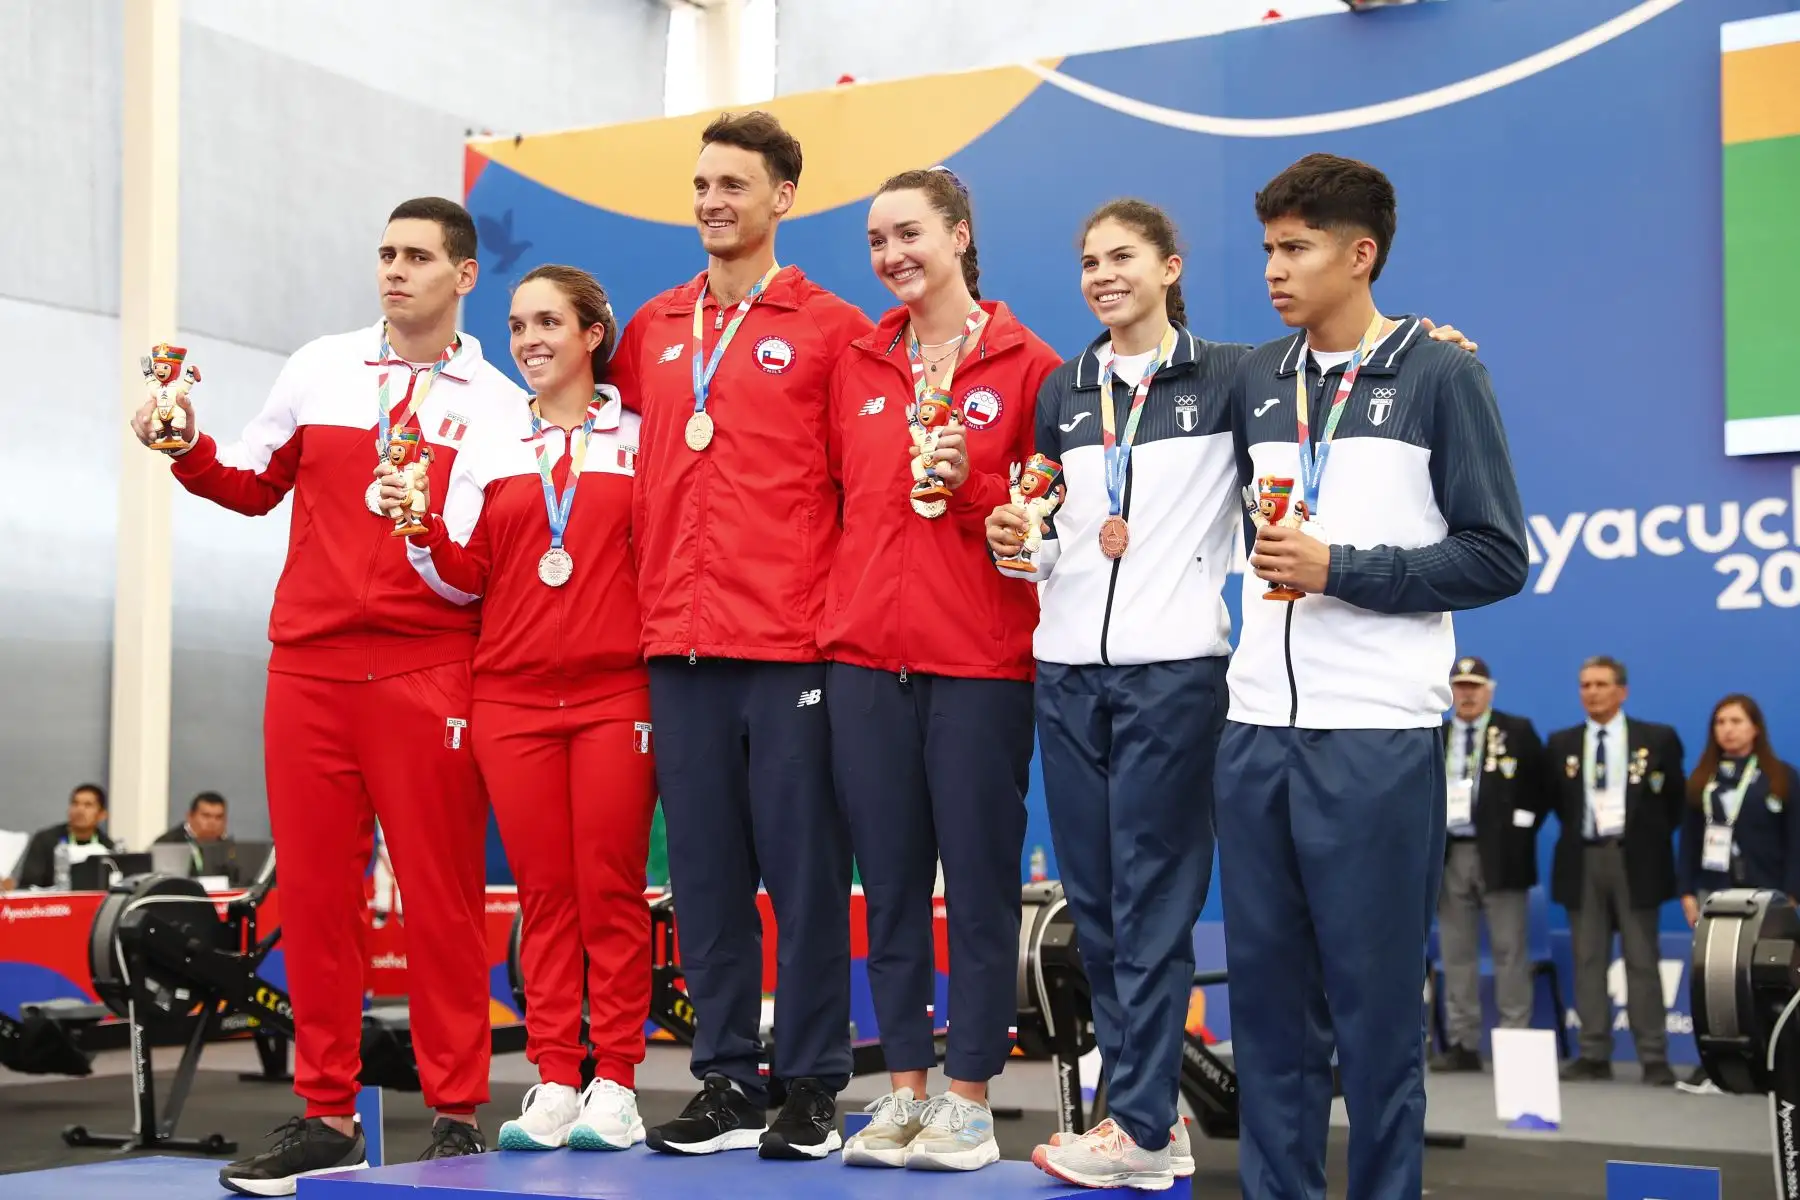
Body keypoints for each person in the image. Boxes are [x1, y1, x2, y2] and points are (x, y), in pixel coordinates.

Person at [131, 197, 525, 1193]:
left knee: (439, 901)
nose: (395, 270)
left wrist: (427, 527)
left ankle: (453, 1112)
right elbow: (254, 481)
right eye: (386, 253)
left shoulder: (494, 402)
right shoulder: (319, 367)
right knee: (313, 901)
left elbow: (489, 565)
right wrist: (185, 446)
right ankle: (322, 1113)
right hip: (307, 668)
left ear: (463, 275)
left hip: (429, 666)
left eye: (419, 256)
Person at [1217, 153, 1527, 1200]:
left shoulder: (1442, 374)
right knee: (1267, 1012)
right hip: (1256, 733)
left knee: (1378, 1016)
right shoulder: (1255, 377)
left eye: (1296, 247)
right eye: (1266, 246)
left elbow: (1496, 553)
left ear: (1362, 254)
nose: (1274, 267)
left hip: (1376, 740)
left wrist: (1341, 569)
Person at [609, 111, 873, 1162]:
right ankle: (725, 1078)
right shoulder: (653, 327)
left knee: (806, 875)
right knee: (709, 878)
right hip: (677, 644)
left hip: (793, 646)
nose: (713, 200)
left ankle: (809, 1082)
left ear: (783, 199)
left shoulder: (833, 327)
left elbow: (869, 483)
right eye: (702, 183)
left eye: (734, 184)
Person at [819, 166, 1061, 1173]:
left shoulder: (1030, 367)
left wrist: (980, 488)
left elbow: (1044, 523)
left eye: (909, 233)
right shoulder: (857, 363)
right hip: (866, 662)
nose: (891, 256)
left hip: (980, 662)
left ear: (960, 233)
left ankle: (969, 1100)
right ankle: (904, 1093)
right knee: (891, 886)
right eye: (877, 241)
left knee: (979, 886)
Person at [396, 264, 658, 1152]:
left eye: (548, 321)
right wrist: (423, 531)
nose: (529, 340)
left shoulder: (642, 435)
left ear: (592, 333)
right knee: (544, 896)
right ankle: (553, 1077)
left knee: (609, 887)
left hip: (616, 691)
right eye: (516, 326)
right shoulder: (494, 443)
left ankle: (616, 1081)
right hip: (508, 697)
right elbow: (470, 579)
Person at [1547, 655, 1685, 1087]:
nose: (1592, 692)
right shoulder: (1562, 742)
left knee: (1643, 959)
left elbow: (1674, 803)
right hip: (1583, 858)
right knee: (1588, 959)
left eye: (1601, 684)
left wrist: (1643, 837)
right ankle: (1593, 1053)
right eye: (1585, 684)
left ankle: (1653, 1056)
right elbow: (1558, 803)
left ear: (1621, 691)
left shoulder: (1656, 739)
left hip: (1635, 859)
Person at [1431, 656, 1551, 1074]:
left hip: (1501, 856)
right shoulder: (1435, 733)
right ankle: (1463, 1042)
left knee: (1509, 950)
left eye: (1474, 686)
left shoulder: (1516, 732)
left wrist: (1519, 832)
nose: (1466, 693)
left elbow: (1542, 787)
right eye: (1459, 686)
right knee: (1456, 952)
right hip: (1448, 854)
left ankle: (1514, 1040)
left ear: (1489, 690)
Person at [1676, 693, 1797, 1093]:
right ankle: (1718, 1065)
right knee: (1716, 979)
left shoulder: (1779, 776)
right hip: (1717, 894)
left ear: (1755, 728)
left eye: (1737, 721)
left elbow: (1796, 840)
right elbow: (1690, 840)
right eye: (1721, 722)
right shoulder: (1703, 780)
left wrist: (1792, 894)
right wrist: (1687, 891)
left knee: (1765, 978)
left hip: (1769, 898)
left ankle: (1775, 1061)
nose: (1728, 729)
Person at [5, 784, 116, 891]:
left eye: (88, 805)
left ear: (102, 815)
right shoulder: (45, 840)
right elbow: (29, 885)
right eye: (75, 803)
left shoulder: (108, 847)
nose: (79, 810)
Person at [154, 791, 229, 873]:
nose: (212, 822)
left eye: (219, 817)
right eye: (206, 816)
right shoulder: (168, 844)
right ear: (190, 816)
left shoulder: (229, 848)